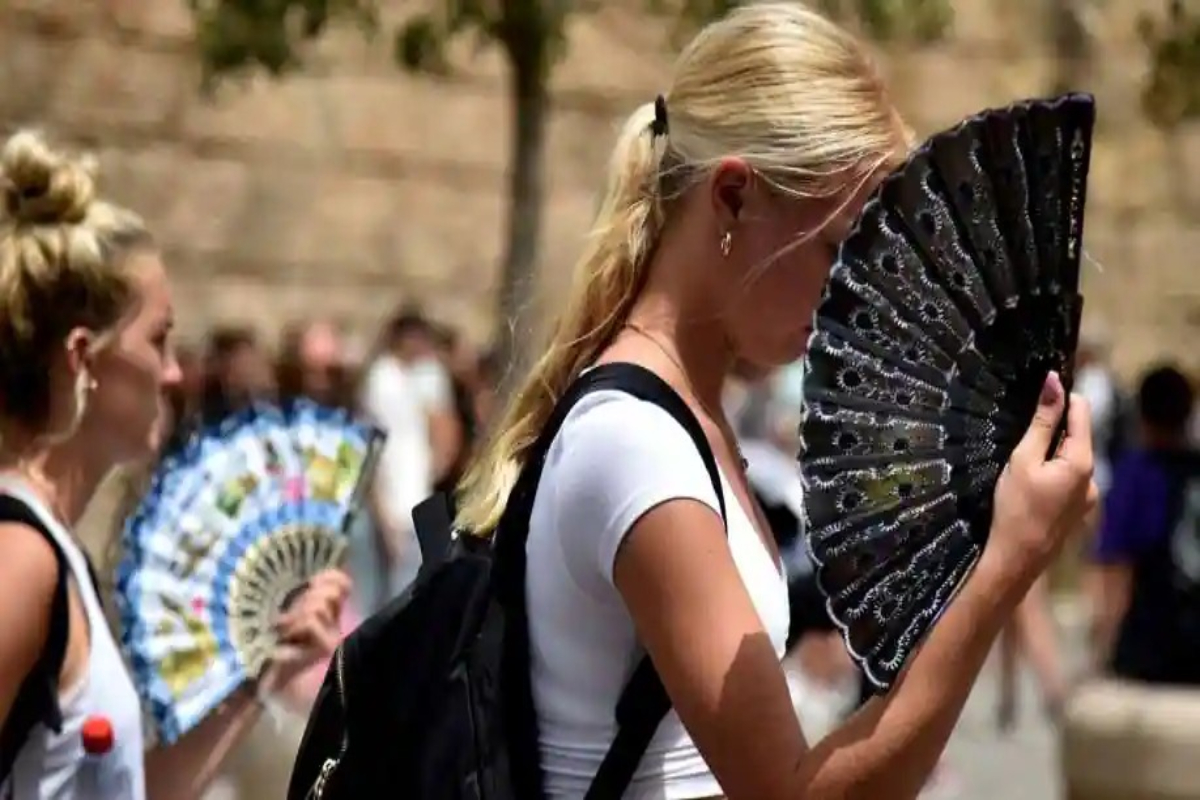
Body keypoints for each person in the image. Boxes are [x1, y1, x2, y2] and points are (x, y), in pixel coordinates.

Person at [452, 4, 1097, 798]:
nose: (851, 298)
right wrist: (1005, 567)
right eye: (839, 250)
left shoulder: (686, 421)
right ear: (732, 199)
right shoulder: (634, 447)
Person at [0, 129, 348, 800]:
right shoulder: (21, 556)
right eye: (158, 340)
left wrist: (260, 673)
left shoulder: (53, 550)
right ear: (83, 358)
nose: (174, 371)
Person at [1088, 364, 1200, 684]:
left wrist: (1102, 654)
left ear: (1142, 415)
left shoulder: (1138, 475)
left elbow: (1117, 571)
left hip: (1150, 650)